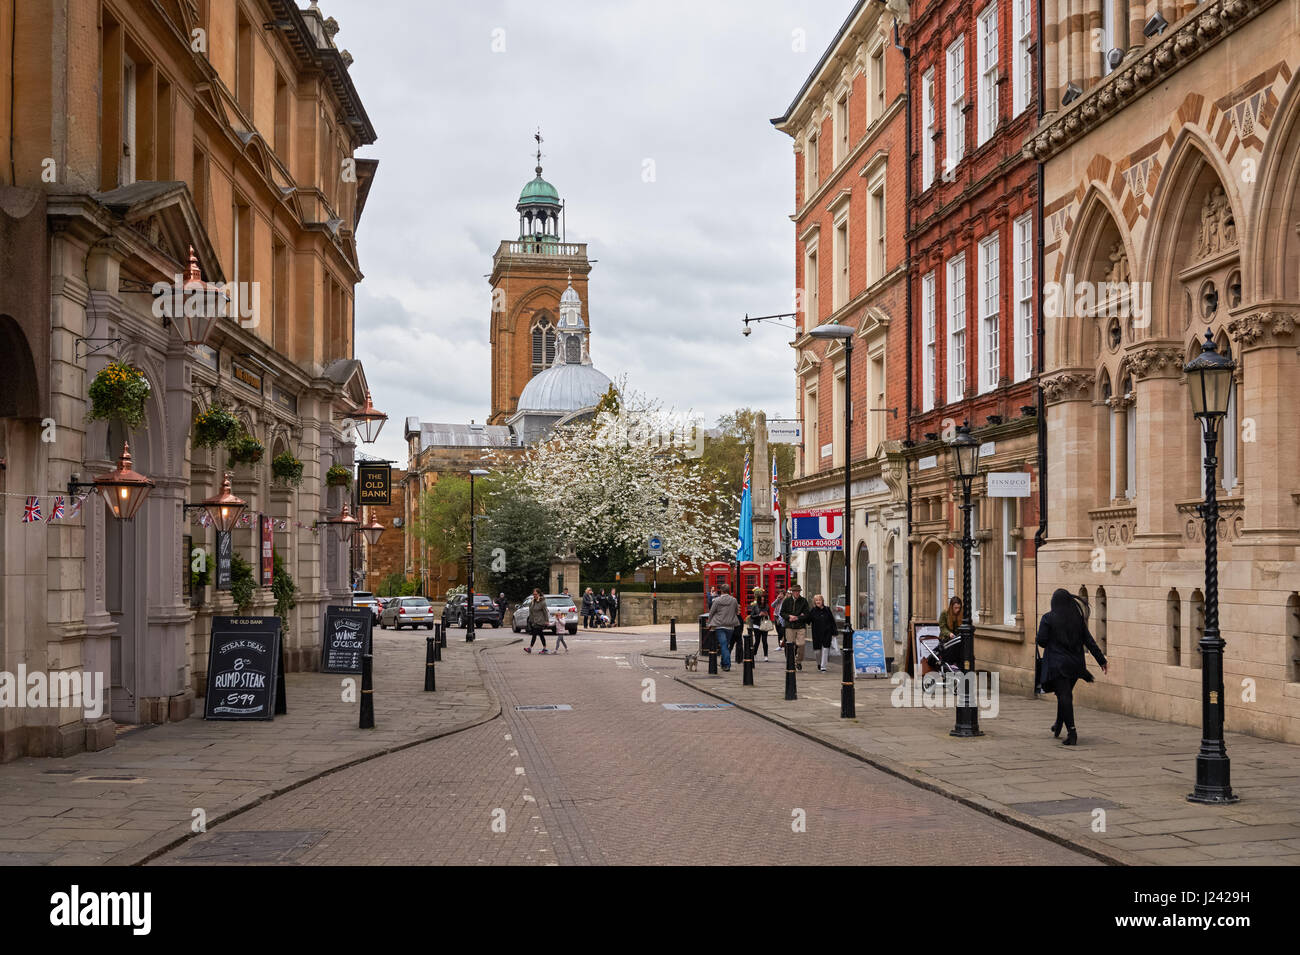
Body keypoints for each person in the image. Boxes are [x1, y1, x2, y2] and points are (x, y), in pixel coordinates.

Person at [1036, 588, 1108, 746]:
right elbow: (1089, 641)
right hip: (1075, 666)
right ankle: (1058, 724)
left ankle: (1072, 732)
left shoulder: (1048, 618)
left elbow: (1041, 640)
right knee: (1064, 695)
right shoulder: (1077, 620)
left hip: (1057, 665)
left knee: (1064, 696)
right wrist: (1101, 661)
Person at [704, 583, 740, 671]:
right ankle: (723, 663)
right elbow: (736, 612)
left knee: (723, 646)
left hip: (720, 626)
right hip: (730, 626)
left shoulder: (717, 600)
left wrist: (709, 623)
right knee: (726, 645)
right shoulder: (734, 600)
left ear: (721, 591)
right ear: (729, 591)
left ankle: (727, 664)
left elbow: (711, 612)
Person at [780, 584, 811, 670]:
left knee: (801, 644)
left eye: (798, 591)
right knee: (790, 645)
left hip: (800, 626)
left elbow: (807, 614)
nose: (797, 593)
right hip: (789, 626)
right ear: (792, 592)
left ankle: (798, 661)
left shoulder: (804, 601)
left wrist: (797, 617)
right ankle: (791, 662)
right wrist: (789, 616)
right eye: (795, 591)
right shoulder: (786, 601)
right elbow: (782, 613)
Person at [809, 594, 837, 672]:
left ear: (822, 601)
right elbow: (808, 620)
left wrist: (834, 631)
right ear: (814, 602)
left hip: (827, 632)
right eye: (816, 600)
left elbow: (832, 621)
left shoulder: (827, 609)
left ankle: (823, 666)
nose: (818, 601)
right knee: (817, 651)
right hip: (816, 633)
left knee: (825, 649)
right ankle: (819, 663)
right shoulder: (813, 611)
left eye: (819, 600)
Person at [747, 587, 772, 662]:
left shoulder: (767, 606)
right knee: (757, 641)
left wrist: (766, 615)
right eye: (761, 600)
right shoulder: (755, 606)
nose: (762, 601)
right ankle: (754, 654)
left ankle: (766, 656)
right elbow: (752, 616)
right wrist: (759, 615)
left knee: (764, 641)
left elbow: (769, 616)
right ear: (758, 600)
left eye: (763, 600)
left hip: (764, 625)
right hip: (756, 625)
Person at [525, 588, 549, 654]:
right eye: (533, 594)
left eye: (535, 594)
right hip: (534, 621)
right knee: (541, 635)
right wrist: (530, 620)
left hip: (540, 621)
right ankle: (545, 648)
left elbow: (545, 612)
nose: (534, 595)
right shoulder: (533, 602)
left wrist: (547, 621)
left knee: (534, 634)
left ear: (538, 594)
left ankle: (530, 648)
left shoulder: (542, 602)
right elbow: (531, 611)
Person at [770, 587, 787, 654]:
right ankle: (780, 646)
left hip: (781, 618)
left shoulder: (785, 601)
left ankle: (782, 645)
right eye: (779, 593)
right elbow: (772, 605)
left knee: (782, 632)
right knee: (778, 632)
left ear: (784, 595)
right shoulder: (778, 600)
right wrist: (777, 599)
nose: (780, 595)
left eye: (781, 594)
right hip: (776, 617)